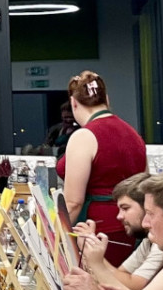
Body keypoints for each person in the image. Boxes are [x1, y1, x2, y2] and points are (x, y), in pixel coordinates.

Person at [56, 71, 146, 266]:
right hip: (133, 229)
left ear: (73, 103)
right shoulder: (134, 135)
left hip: (95, 231)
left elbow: (73, 202)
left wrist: (51, 237)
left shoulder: (84, 136)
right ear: (107, 99)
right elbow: (145, 182)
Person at [73, 173, 163, 290]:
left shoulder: (162, 242)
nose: (119, 216)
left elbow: (134, 286)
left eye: (125, 208)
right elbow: (120, 274)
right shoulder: (148, 240)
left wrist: (95, 257)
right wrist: (91, 253)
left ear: (147, 207)